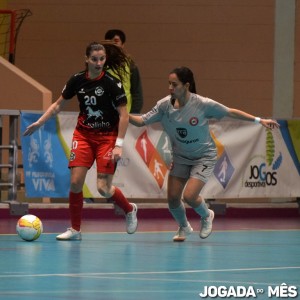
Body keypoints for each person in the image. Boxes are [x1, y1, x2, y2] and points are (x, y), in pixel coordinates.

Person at [129, 66, 279, 242]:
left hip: (203, 156)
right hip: (180, 157)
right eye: (169, 84)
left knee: (190, 196)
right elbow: (141, 121)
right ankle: (184, 227)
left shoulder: (202, 104)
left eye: (174, 84)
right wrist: (122, 113)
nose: (170, 88)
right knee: (173, 199)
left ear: (186, 85)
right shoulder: (164, 106)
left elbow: (230, 112)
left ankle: (206, 215)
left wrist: (259, 120)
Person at [23, 42, 138, 241]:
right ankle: (75, 229)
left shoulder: (112, 82)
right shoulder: (77, 80)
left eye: (102, 59)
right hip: (83, 135)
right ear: (86, 59)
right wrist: (39, 123)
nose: (99, 63)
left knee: (103, 188)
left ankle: (129, 209)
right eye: (94, 59)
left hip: (107, 137)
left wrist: (118, 144)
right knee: (76, 183)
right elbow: (58, 104)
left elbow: (124, 115)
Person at [104, 29, 143, 113]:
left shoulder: (131, 64)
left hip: (125, 114)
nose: (113, 43)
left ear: (123, 44)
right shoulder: (100, 64)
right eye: (109, 41)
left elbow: (137, 92)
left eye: (116, 41)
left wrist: (134, 113)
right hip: (105, 115)